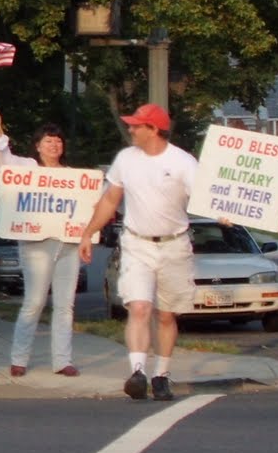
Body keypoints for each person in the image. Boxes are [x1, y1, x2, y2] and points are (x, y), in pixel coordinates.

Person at [77, 103, 197, 402]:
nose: (130, 130)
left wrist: (223, 212)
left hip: (174, 244)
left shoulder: (183, 162)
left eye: (136, 125)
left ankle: (161, 375)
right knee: (139, 307)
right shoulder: (125, 160)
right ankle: (138, 373)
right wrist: (89, 232)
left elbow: (206, 199)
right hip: (136, 243)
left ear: (154, 129)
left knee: (166, 315)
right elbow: (110, 200)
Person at [0, 107, 81, 377]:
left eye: (58, 140)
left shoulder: (72, 175)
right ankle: (19, 358)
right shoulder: (26, 168)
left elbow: (88, 204)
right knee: (35, 301)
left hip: (67, 245)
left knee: (65, 304)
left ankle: (62, 360)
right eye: (48, 140)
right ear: (37, 146)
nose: (54, 145)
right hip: (36, 244)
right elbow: (0, 160)